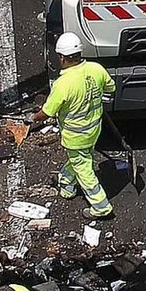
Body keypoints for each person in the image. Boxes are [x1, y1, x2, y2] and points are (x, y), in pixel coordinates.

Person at [45, 30, 117, 219]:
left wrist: (32, 118)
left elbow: (47, 112)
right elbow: (111, 88)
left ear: (61, 57)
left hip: (75, 136)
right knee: (80, 159)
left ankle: (101, 206)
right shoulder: (96, 69)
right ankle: (67, 186)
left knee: (84, 169)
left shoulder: (62, 84)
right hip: (93, 130)